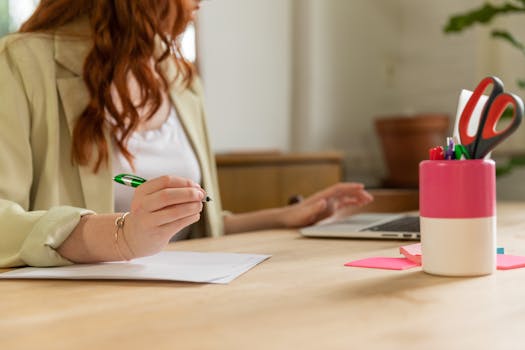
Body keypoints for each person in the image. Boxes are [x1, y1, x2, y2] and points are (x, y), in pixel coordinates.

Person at [0, 0, 373, 268]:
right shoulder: (18, 64)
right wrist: (122, 235)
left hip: (178, 297)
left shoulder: (181, 80)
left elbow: (188, 228)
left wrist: (282, 218)